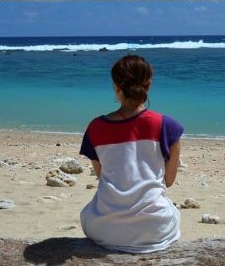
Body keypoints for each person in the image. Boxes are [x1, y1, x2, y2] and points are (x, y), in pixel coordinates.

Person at [79, 54, 184, 253]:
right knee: (172, 212)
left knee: (87, 214)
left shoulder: (96, 127)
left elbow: (102, 176)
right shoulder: (168, 126)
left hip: (106, 229)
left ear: (116, 87)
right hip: (155, 229)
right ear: (149, 85)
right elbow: (168, 181)